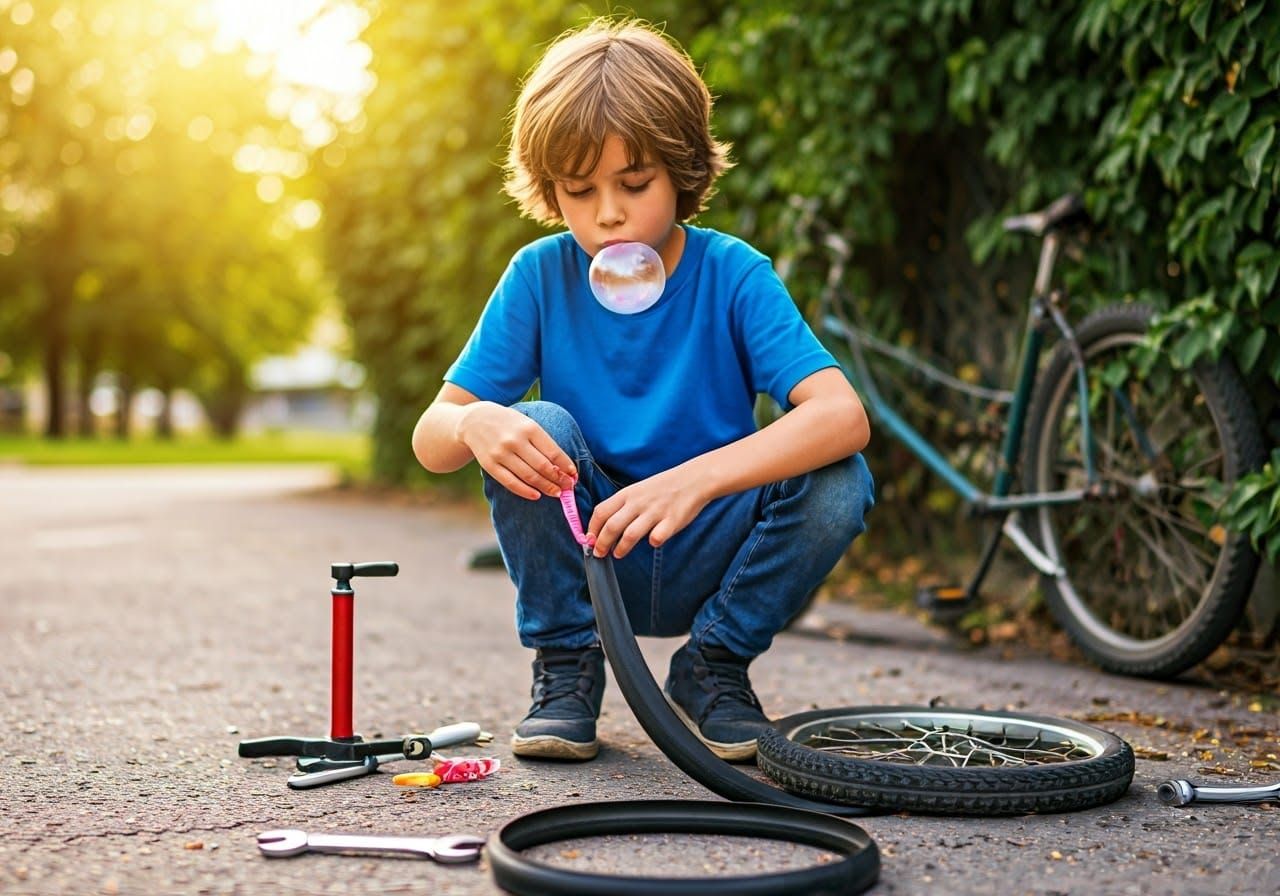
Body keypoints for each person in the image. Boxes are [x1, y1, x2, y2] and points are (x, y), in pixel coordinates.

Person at [412, 18, 873, 763]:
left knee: (837, 479)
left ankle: (713, 668)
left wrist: (693, 481)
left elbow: (842, 416)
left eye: (634, 183)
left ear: (683, 169)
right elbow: (432, 436)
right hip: (593, 550)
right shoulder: (538, 275)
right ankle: (568, 666)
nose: (608, 213)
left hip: (711, 545)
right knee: (532, 422)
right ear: (549, 188)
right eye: (578, 189)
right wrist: (475, 425)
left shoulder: (734, 273)